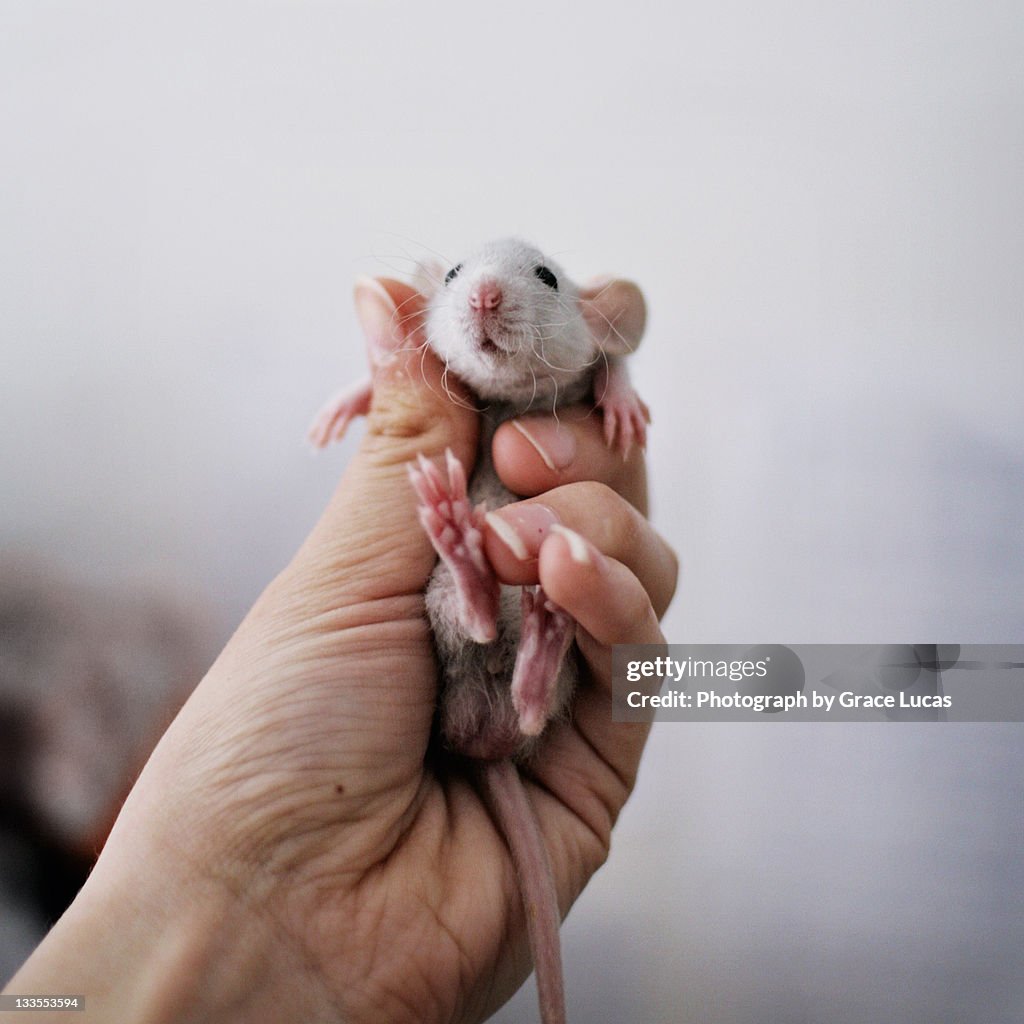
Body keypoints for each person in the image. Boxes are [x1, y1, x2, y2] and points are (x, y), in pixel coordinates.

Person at [5, 278, 677, 1023]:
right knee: (502, 583)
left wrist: (615, 383)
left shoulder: (578, 353)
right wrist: (377, 392)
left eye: (542, 281)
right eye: (458, 281)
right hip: (461, 694)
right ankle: (507, 621)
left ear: (583, 314)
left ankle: (521, 632)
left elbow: (603, 348)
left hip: (485, 699)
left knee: (532, 572)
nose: (486, 296)